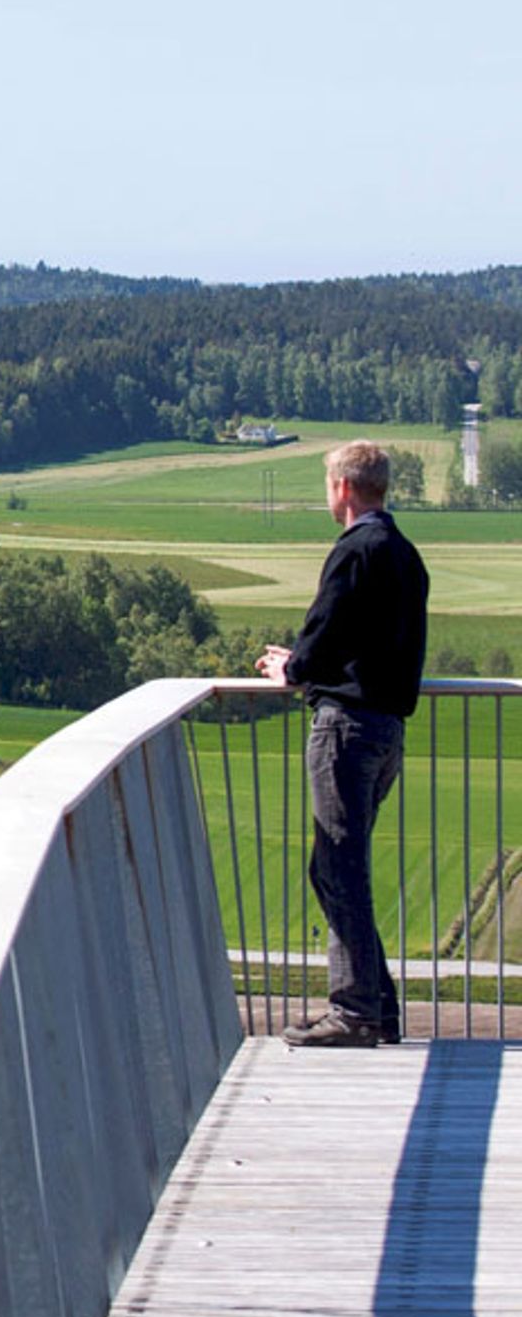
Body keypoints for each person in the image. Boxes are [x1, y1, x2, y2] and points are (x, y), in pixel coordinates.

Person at [256, 439, 428, 1048]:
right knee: (340, 865)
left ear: (345, 488)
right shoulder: (405, 554)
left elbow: (328, 628)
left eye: (329, 486)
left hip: (346, 729)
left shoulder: (355, 551)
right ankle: (375, 1006)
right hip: (387, 730)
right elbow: (370, 643)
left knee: (337, 865)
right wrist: (306, 662)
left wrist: (294, 670)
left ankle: (357, 1011)